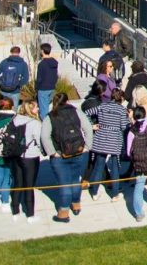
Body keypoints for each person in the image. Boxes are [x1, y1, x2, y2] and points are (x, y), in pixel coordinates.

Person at [41, 92, 93, 223]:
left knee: (64, 184)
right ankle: (76, 204)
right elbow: (88, 128)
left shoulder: (50, 117)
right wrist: (87, 146)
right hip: (79, 152)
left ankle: (64, 212)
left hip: (60, 155)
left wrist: (52, 152)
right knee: (75, 179)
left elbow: (44, 136)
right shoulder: (76, 112)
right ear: (67, 101)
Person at [85, 87, 128, 202]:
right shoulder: (121, 110)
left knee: (99, 165)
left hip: (101, 137)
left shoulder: (102, 106)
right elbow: (124, 126)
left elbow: (86, 113)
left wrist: (92, 125)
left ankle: (94, 191)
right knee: (115, 167)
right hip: (114, 139)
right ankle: (115, 194)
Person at [9, 99, 42, 223]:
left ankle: (15, 210)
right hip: (30, 157)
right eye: (36, 107)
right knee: (29, 186)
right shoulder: (34, 123)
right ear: (30, 109)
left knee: (17, 183)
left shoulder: (15, 119)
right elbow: (39, 141)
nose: (38, 109)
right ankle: (30, 214)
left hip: (16, 155)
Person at [35, 43, 59, 119]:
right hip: (52, 87)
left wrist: (37, 88)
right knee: (48, 107)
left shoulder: (42, 64)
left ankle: (45, 126)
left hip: (43, 88)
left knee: (43, 110)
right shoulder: (54, 63)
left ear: (42, 51)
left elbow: (39, 78)